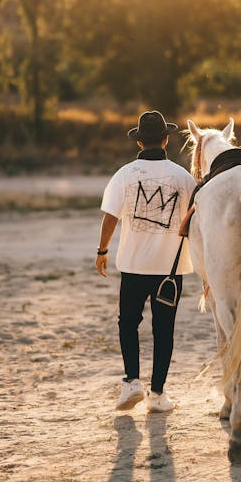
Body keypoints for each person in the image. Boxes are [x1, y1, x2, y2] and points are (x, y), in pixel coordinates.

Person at [95, 110, 195, 413]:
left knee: (128, 323)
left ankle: (132, 382)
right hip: (170, 270)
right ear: (166, 140)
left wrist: (102, 251)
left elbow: (110, 217)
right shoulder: (183, 177)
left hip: (134, 266)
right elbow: (196, 222)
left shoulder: (124, 174)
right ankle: (158, 395)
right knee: (164, 330)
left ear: (139, 143)